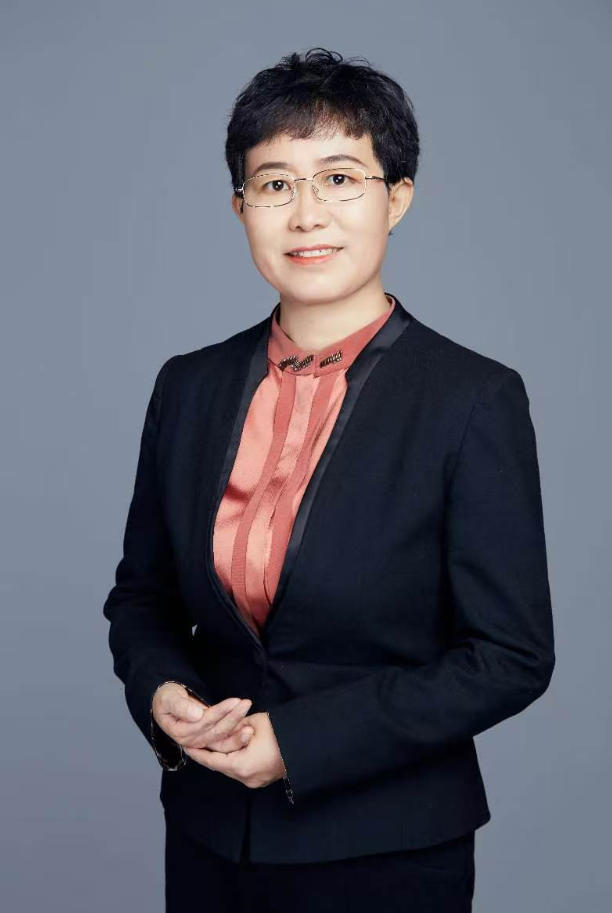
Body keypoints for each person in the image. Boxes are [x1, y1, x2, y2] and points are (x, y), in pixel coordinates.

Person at [103, 47, 555, 912]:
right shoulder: (189, 385)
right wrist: (161, 693)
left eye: (341, 178)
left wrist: (298, 741)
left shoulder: (472, 398)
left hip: (387, 850)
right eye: (275, 184)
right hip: (208, 838)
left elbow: (510, 657)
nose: (306, 213)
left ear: (398, 197)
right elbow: (142, 597)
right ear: (240, 206)